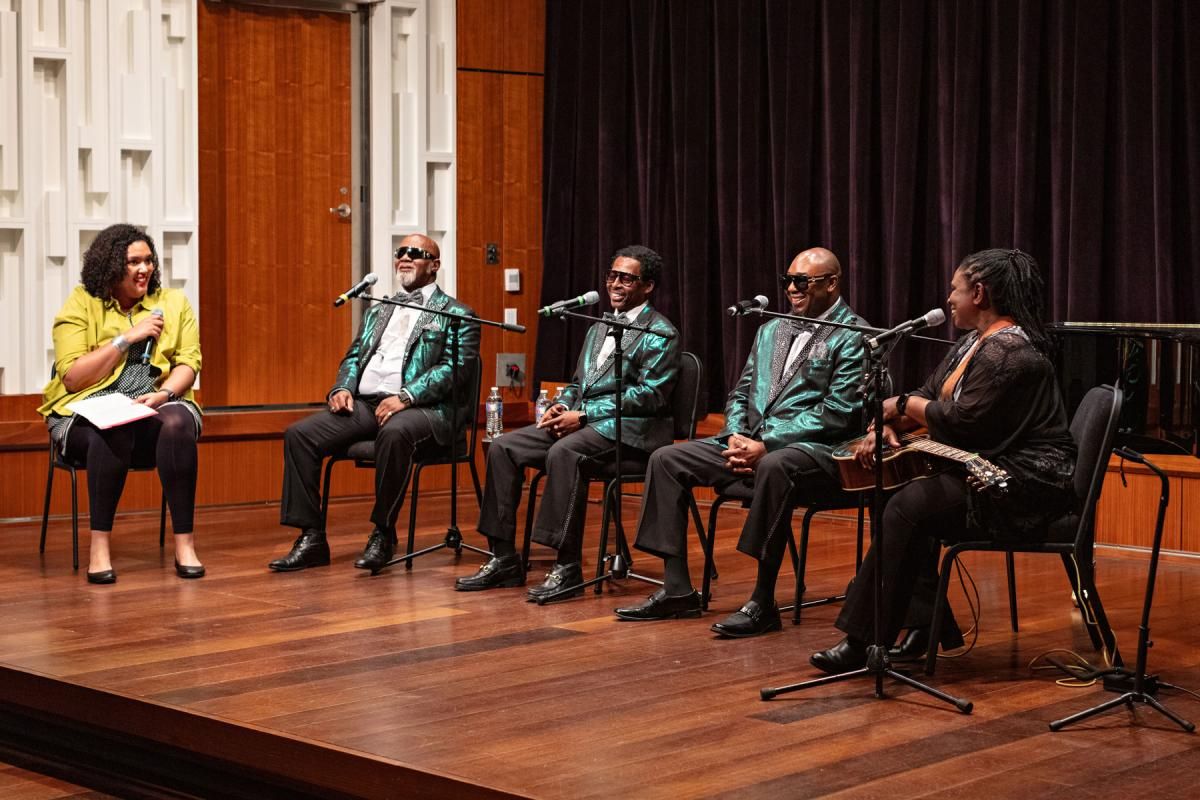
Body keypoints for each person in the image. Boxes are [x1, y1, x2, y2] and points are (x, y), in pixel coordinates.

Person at [809, 248, 1076, 673]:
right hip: (981, 466)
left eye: (956, 289)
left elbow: (962, 422)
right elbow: (928, 395)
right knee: (895, 494)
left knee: (908, 507)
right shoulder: (973, 343)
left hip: (1020, 484)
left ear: (980, 293)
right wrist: (887, 425)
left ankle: (862, 641)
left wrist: (900, 404)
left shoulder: (1010, 353)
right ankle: (923, 626)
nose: (949, 298)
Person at [613, 247, 868, 632]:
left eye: (802, 282)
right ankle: (678, 590)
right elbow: (741, 391)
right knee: (667, 459)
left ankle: (762, 602)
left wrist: (768, 443)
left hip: (813, 453)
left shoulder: (852, 336)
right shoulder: (771, 329)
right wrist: (735, 435)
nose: (792, 290)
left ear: (832, 284)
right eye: (788, 281)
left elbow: (838, 411)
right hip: (748, 443)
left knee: (775, 464)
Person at [456, 245, 681, 599]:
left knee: (565, 452)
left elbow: (650, 395)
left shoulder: (661, 332)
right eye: (612, 276)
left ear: (648, 286)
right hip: (582, 424)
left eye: (627, 278)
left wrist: (587, 414)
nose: (615, 284)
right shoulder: (598, 327)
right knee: (504, 446)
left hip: (630, 433)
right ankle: (502, 557)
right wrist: (561, 405)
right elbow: (578, 384)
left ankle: (567, 566)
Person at [269, 234, 480, 573]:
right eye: (401, 252)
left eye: (416, 253)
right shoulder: (380, 310)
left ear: (435, 265)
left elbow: (455, 370)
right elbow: (355, 355)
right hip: (367, 404)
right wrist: (342, 388)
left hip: (425, 409)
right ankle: (311, 537)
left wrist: (407, 396)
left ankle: (383, 532)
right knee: (300, 434)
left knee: (395, 433)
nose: (405, 258)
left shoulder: (457, 314)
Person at [39, 224, 204, 584]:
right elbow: (71, 377)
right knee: (110, 429)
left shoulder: (174, 303)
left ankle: (185, 544)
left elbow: (189, 363)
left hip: (156, 403)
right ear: (112, 266)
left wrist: (164, 395)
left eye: (148, 261)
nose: (144, 269)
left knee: (176, 423)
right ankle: (99, 548)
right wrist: (126, 338)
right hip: (84, 410)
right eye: (133, 262)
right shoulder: (82, 303)